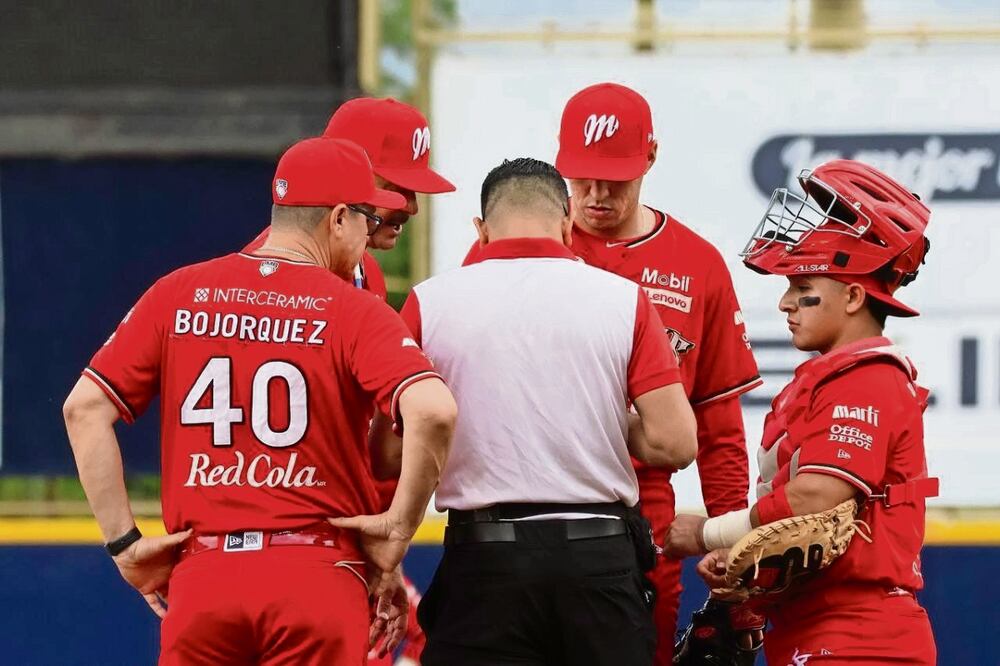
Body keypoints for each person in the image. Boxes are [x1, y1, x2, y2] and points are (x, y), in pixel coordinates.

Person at [63, 137, 457, 665]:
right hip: (316, 575)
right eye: (366, 217)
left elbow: (83, 408)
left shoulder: (179, 291)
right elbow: (433, 409)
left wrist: (124, 545)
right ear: (338, 218)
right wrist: (397, 530)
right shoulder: (352, 308)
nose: (370, 231)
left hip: (204, 580)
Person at [462, 83, 761, 664]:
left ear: (650, 158)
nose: (596, 194)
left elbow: (719, 427)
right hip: (514, 504)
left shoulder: (695, 263)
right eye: (582, 177)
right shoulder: (506, 247)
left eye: (615, 177)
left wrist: (735, 553)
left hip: (640, 515)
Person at [404, 157, 699, 666]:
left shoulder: (430, 302)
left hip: (483, 560)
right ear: (567, 222)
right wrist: (606, 420)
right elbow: (676, 442)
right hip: (598, 559)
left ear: (481, 229)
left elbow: (392, 448)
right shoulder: (623, 299)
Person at [667, 159, 938, 664]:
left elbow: (816, 497)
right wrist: (743, 565)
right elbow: (810, 528)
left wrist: (706, 533)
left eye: (800, 286)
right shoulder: (835, 375)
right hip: (820, 630)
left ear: (855, 295)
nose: (786, 303)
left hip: (862, 638)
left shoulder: (867, 376)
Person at [246, 96, 455, 300]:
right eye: (395, 189)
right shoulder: (267, 275)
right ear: (340, 173)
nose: (411, 207)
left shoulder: (366, 269)